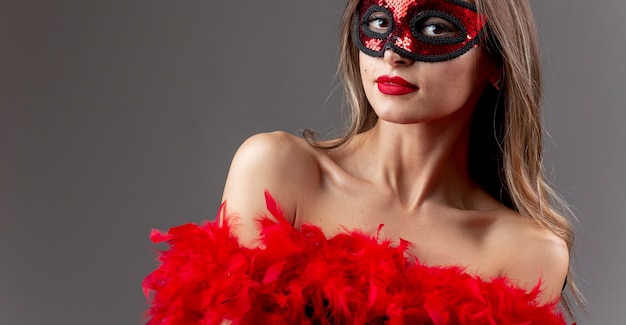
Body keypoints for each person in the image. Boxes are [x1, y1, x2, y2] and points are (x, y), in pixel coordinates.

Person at [144, 0, 583, 323]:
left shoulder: (525, 251)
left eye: (434, 29)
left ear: (497, 63)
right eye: (378, 22)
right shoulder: (278, 171)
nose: (395, 52)